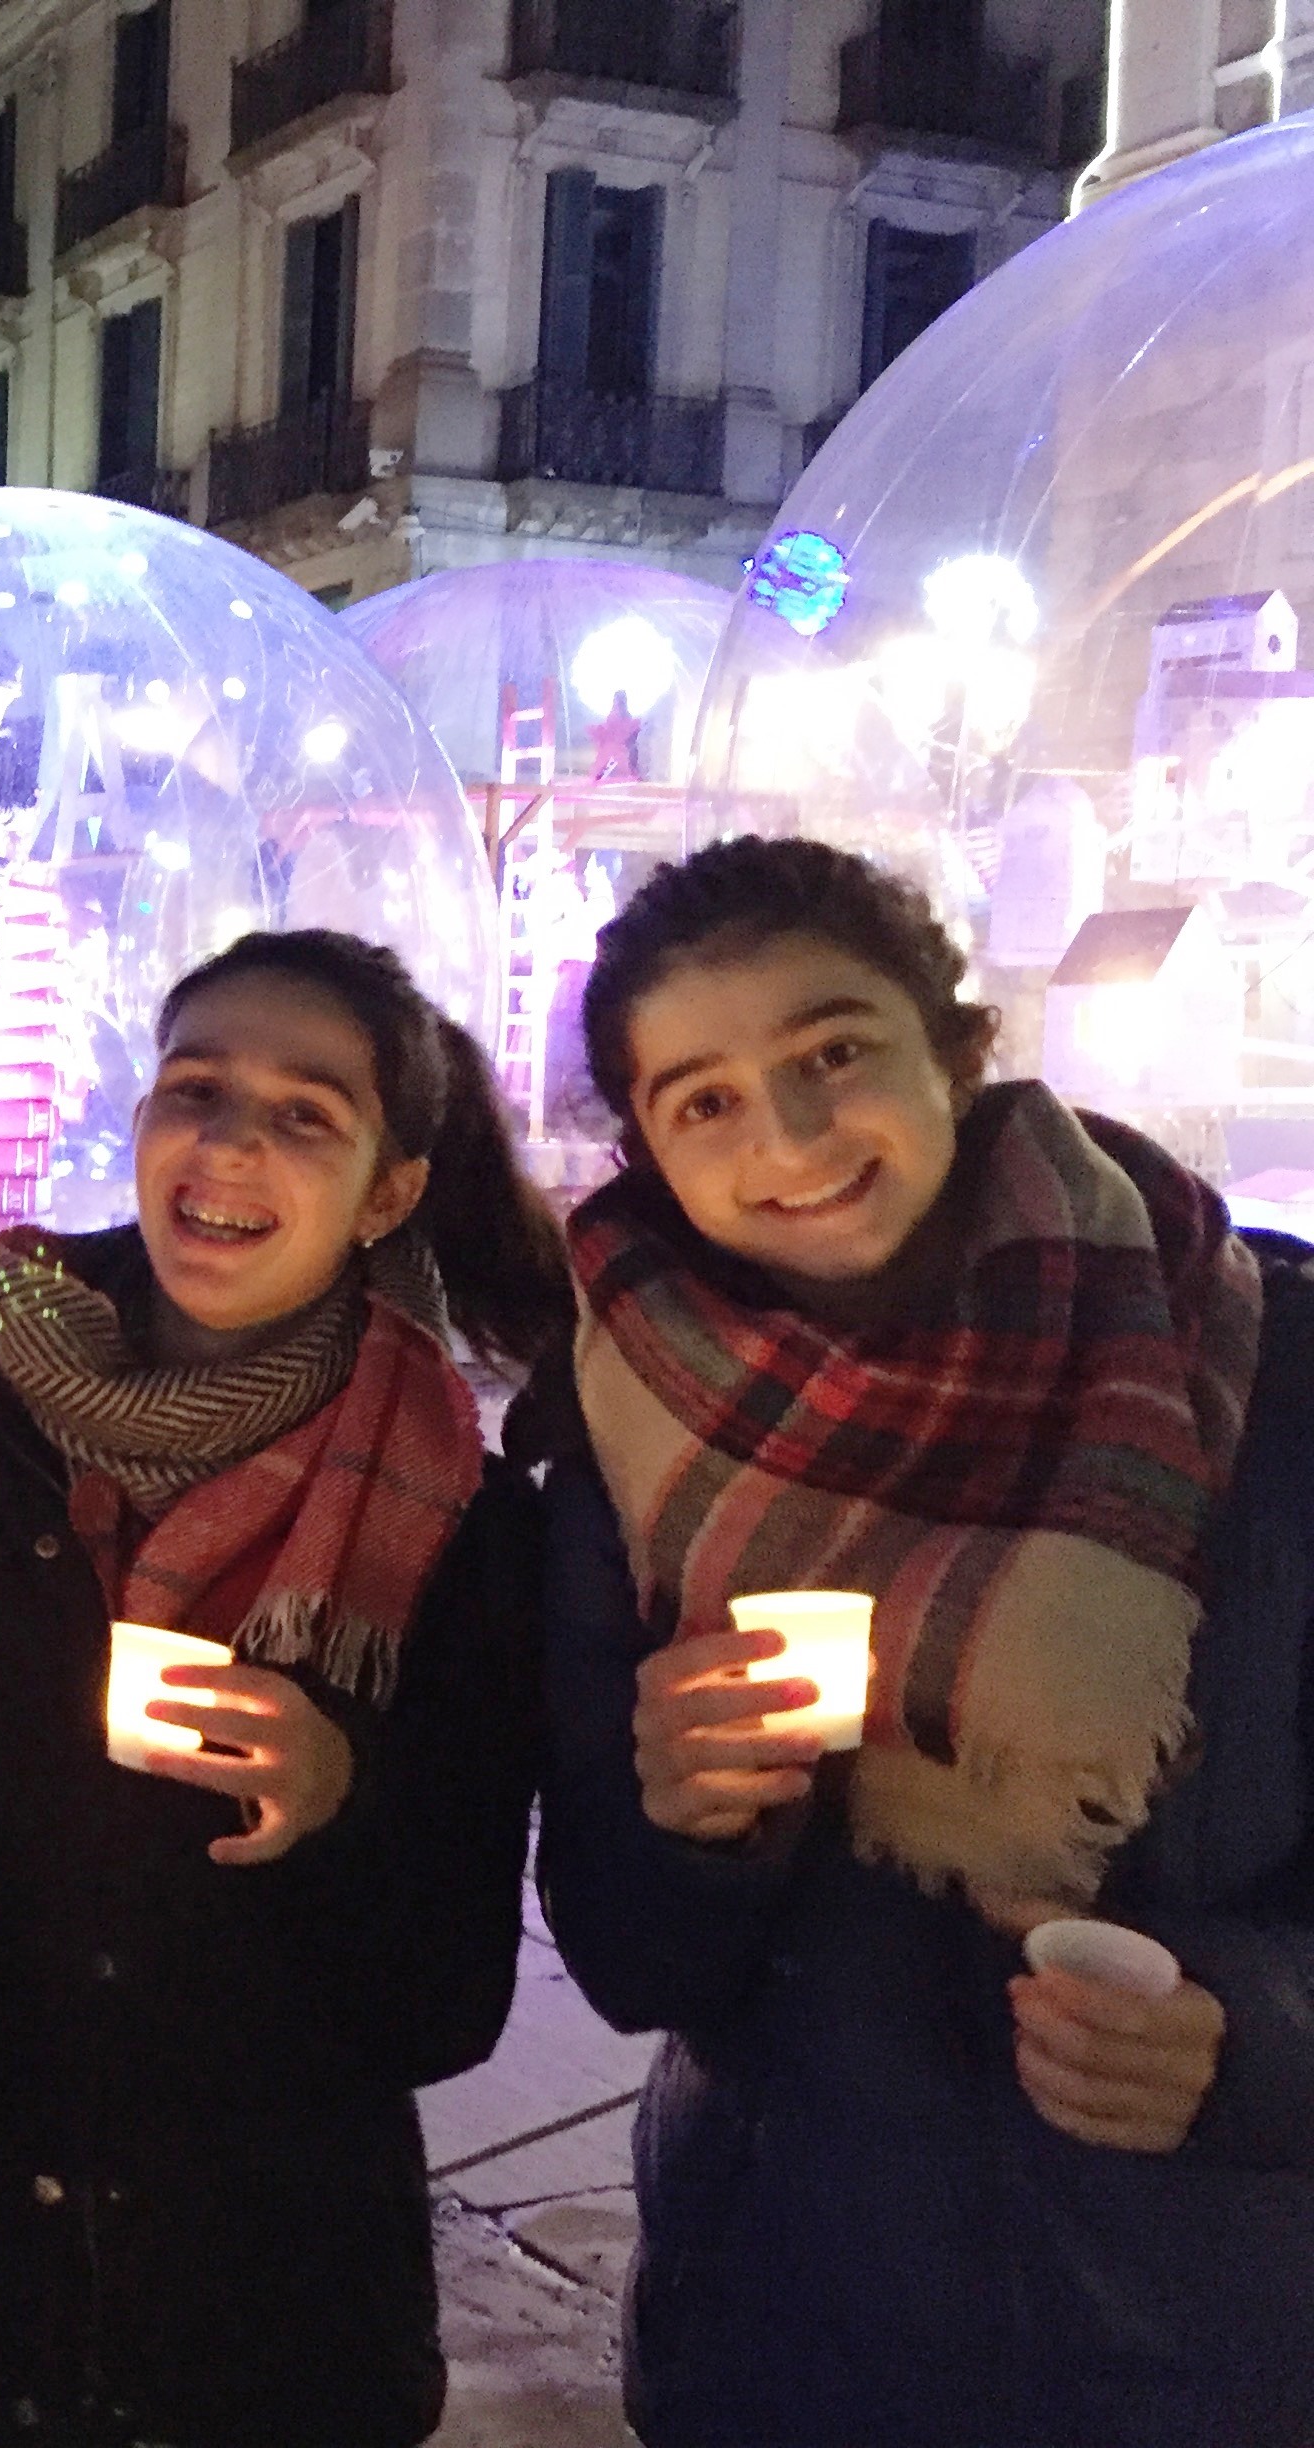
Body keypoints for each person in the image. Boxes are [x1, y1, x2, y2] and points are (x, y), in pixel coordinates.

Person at [0, 929, 571, 2448]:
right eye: (195, 1088)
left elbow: (447, 2003)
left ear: (390, 1191)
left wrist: (344, 1796)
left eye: (306, 1115)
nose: (229, 1144)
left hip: (271, 2320)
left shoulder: (456, 1523)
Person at [529, 836, 1314, 2445]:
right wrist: (687, 1824)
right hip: (793, 2333)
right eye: (705, 1101)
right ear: (650, 1152)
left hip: (1200, 2341)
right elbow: (626, 1964)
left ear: (957, 1047)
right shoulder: (626, 1427)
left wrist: (1256, 2038)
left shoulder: (1261, 1361)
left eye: (833, 1053)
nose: (791, 1137)